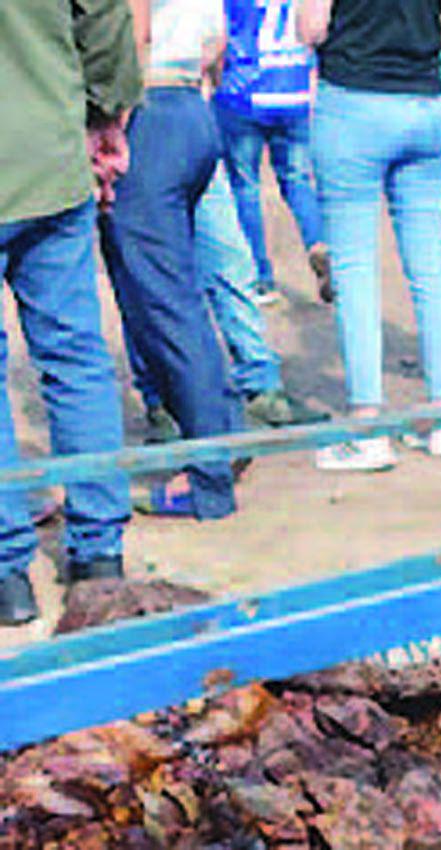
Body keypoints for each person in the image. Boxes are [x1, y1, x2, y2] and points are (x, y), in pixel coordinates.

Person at [0, 0, 140, 623]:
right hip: (48, 154)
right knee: (76, 356)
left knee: (73, 356)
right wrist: (107, 110)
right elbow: (107, 20)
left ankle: (8, 575)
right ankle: (100, 555)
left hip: (47, 156)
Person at [300, 0, 441, 470]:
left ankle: (367, 427)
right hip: (426, 102)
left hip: (353, 101)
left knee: (354, 269)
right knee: (431, 267)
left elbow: (310, 26)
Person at [100, 0, 241, 520]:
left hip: (149, 110)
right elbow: (216, 45)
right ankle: (221, 441)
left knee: (163, 306)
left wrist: (111, 118)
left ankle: (209, 479)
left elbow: (133, 32)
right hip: (188, 106)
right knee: (175, 299)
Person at [128, 166, 329, 443]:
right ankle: (162, 401)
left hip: (195, 145)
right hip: (126, 157)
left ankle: (262, 386)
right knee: (147, 279)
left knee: (232, 264)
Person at [216, 0, 330, 304]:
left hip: (244, 94)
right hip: (294, 90)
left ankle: (260, 277)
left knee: (245, 187)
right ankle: (318, 242)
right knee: (297, 180)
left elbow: (220, 34)